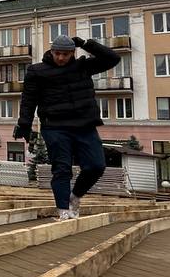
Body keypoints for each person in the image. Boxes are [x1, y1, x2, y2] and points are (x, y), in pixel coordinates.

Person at [14, 34, 120, 220]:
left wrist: (87, 44)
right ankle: (63, 210)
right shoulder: (37, 71)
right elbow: (29, 100)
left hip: (85, 125)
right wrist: (24, 124)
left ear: (73, 52)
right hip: (55, 127)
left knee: (96, 165)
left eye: (66, 54)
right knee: (62, 169)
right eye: (57, 53)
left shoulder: (83, 67)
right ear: (52, 51)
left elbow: (113, 58)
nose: (61, 58)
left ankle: (75, 196)